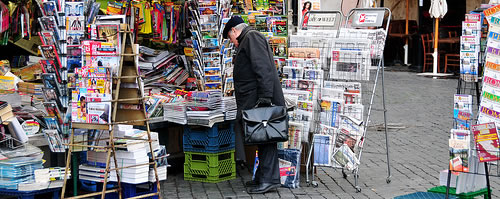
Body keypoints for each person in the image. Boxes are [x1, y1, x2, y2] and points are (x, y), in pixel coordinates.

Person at [223, 16, 285, 194]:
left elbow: (263, 68)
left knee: (266, 139)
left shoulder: (251, 38)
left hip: (260, 99)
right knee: (261, 138)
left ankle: (269, 180)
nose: (232, 42)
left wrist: (265, 96)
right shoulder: (248, 39)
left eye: (230, 37)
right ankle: (262, 177)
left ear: (234, 30)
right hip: (254, 99)